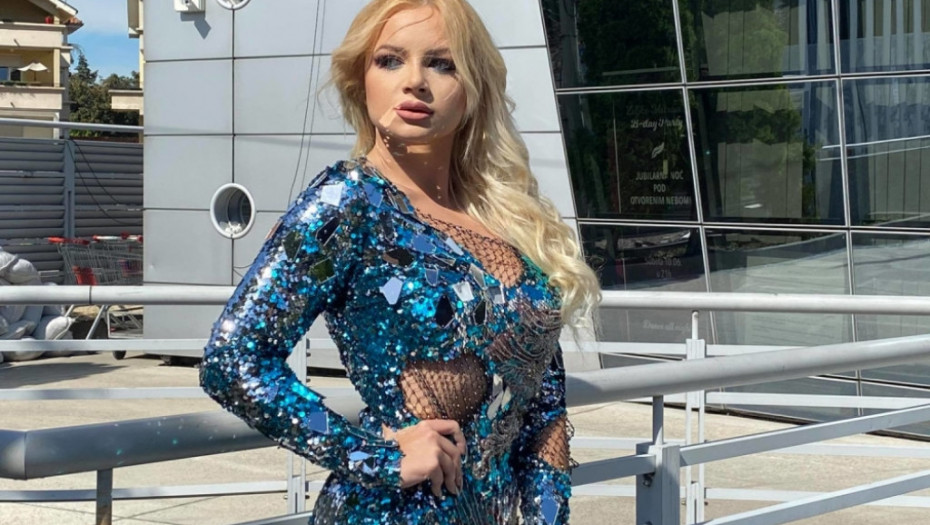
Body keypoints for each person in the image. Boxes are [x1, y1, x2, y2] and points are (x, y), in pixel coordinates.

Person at [200, 0, 600, 523]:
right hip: (387, 511)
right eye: (389, 60)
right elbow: (233, 361)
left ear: (474, 86)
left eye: (442, 64)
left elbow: (544, 407)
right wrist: (374, 457)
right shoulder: (349, 203)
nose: (414, 81)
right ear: (360, 81)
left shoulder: (507, 217)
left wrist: (549, 516)